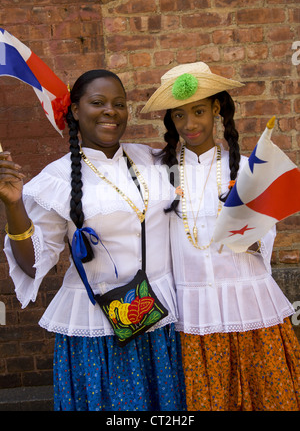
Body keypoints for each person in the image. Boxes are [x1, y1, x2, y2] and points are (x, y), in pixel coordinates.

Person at [0, 69, 186, 411]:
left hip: (160, 321)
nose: (110, 111)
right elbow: (33, 263)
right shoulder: (57, 179)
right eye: (98, 103)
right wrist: (14, 206)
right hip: (100, 331)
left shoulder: (153, 160)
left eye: (119, 104)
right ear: (75, 110)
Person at [141, 61, 300, 411]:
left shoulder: (244, 169)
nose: (190, 124)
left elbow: (263, 240)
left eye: (199, 111)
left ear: (216, 108)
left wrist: (250, 225)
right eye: (179, 115)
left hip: (249, 302)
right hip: (193, 313)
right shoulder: (157, 174)